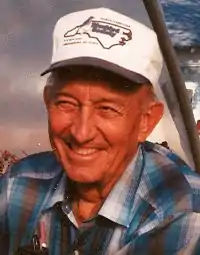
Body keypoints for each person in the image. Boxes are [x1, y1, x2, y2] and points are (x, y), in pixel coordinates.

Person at [1, 7, 200, 255]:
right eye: (66, 103)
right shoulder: (18, 184)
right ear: (47, 101)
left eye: (107, 108)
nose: (82, 133)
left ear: (146, 121)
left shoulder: (185, 217)